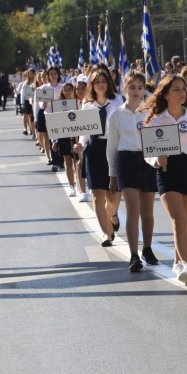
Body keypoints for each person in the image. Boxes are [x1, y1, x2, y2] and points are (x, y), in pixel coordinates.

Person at [143, 75, 187, 285]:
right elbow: (148, 153)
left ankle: (177, 261)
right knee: (178, 221)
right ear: (165, 94)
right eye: (176, 89)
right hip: (167, 172)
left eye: (183, 89)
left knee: (185, 226)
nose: (182, 93)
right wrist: (156, 159)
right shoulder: (154, 120)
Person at [106, 73, 160, 271]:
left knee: (148, 211)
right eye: (132, 87)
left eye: (139, 87)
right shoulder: (117, 115)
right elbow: (111, 146)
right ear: (124, 88)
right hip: (126, 160)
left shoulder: (151, 112)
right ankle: (134, 254)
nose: (136, 91)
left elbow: (159, 137)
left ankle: (147, 248)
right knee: (132, 209)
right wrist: (112, 174)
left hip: (147, 159)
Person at [73, 69, 122, 247]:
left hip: (113, 148)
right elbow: (84, 135)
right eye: (97, 81)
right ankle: (107, 233)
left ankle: (113, 215)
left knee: (114, 195)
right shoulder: (87, 106)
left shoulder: (117, 101)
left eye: (104, 81)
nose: (101, 84)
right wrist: (80, 145)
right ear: (92, 85)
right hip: (94, 150)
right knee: (97, 195)